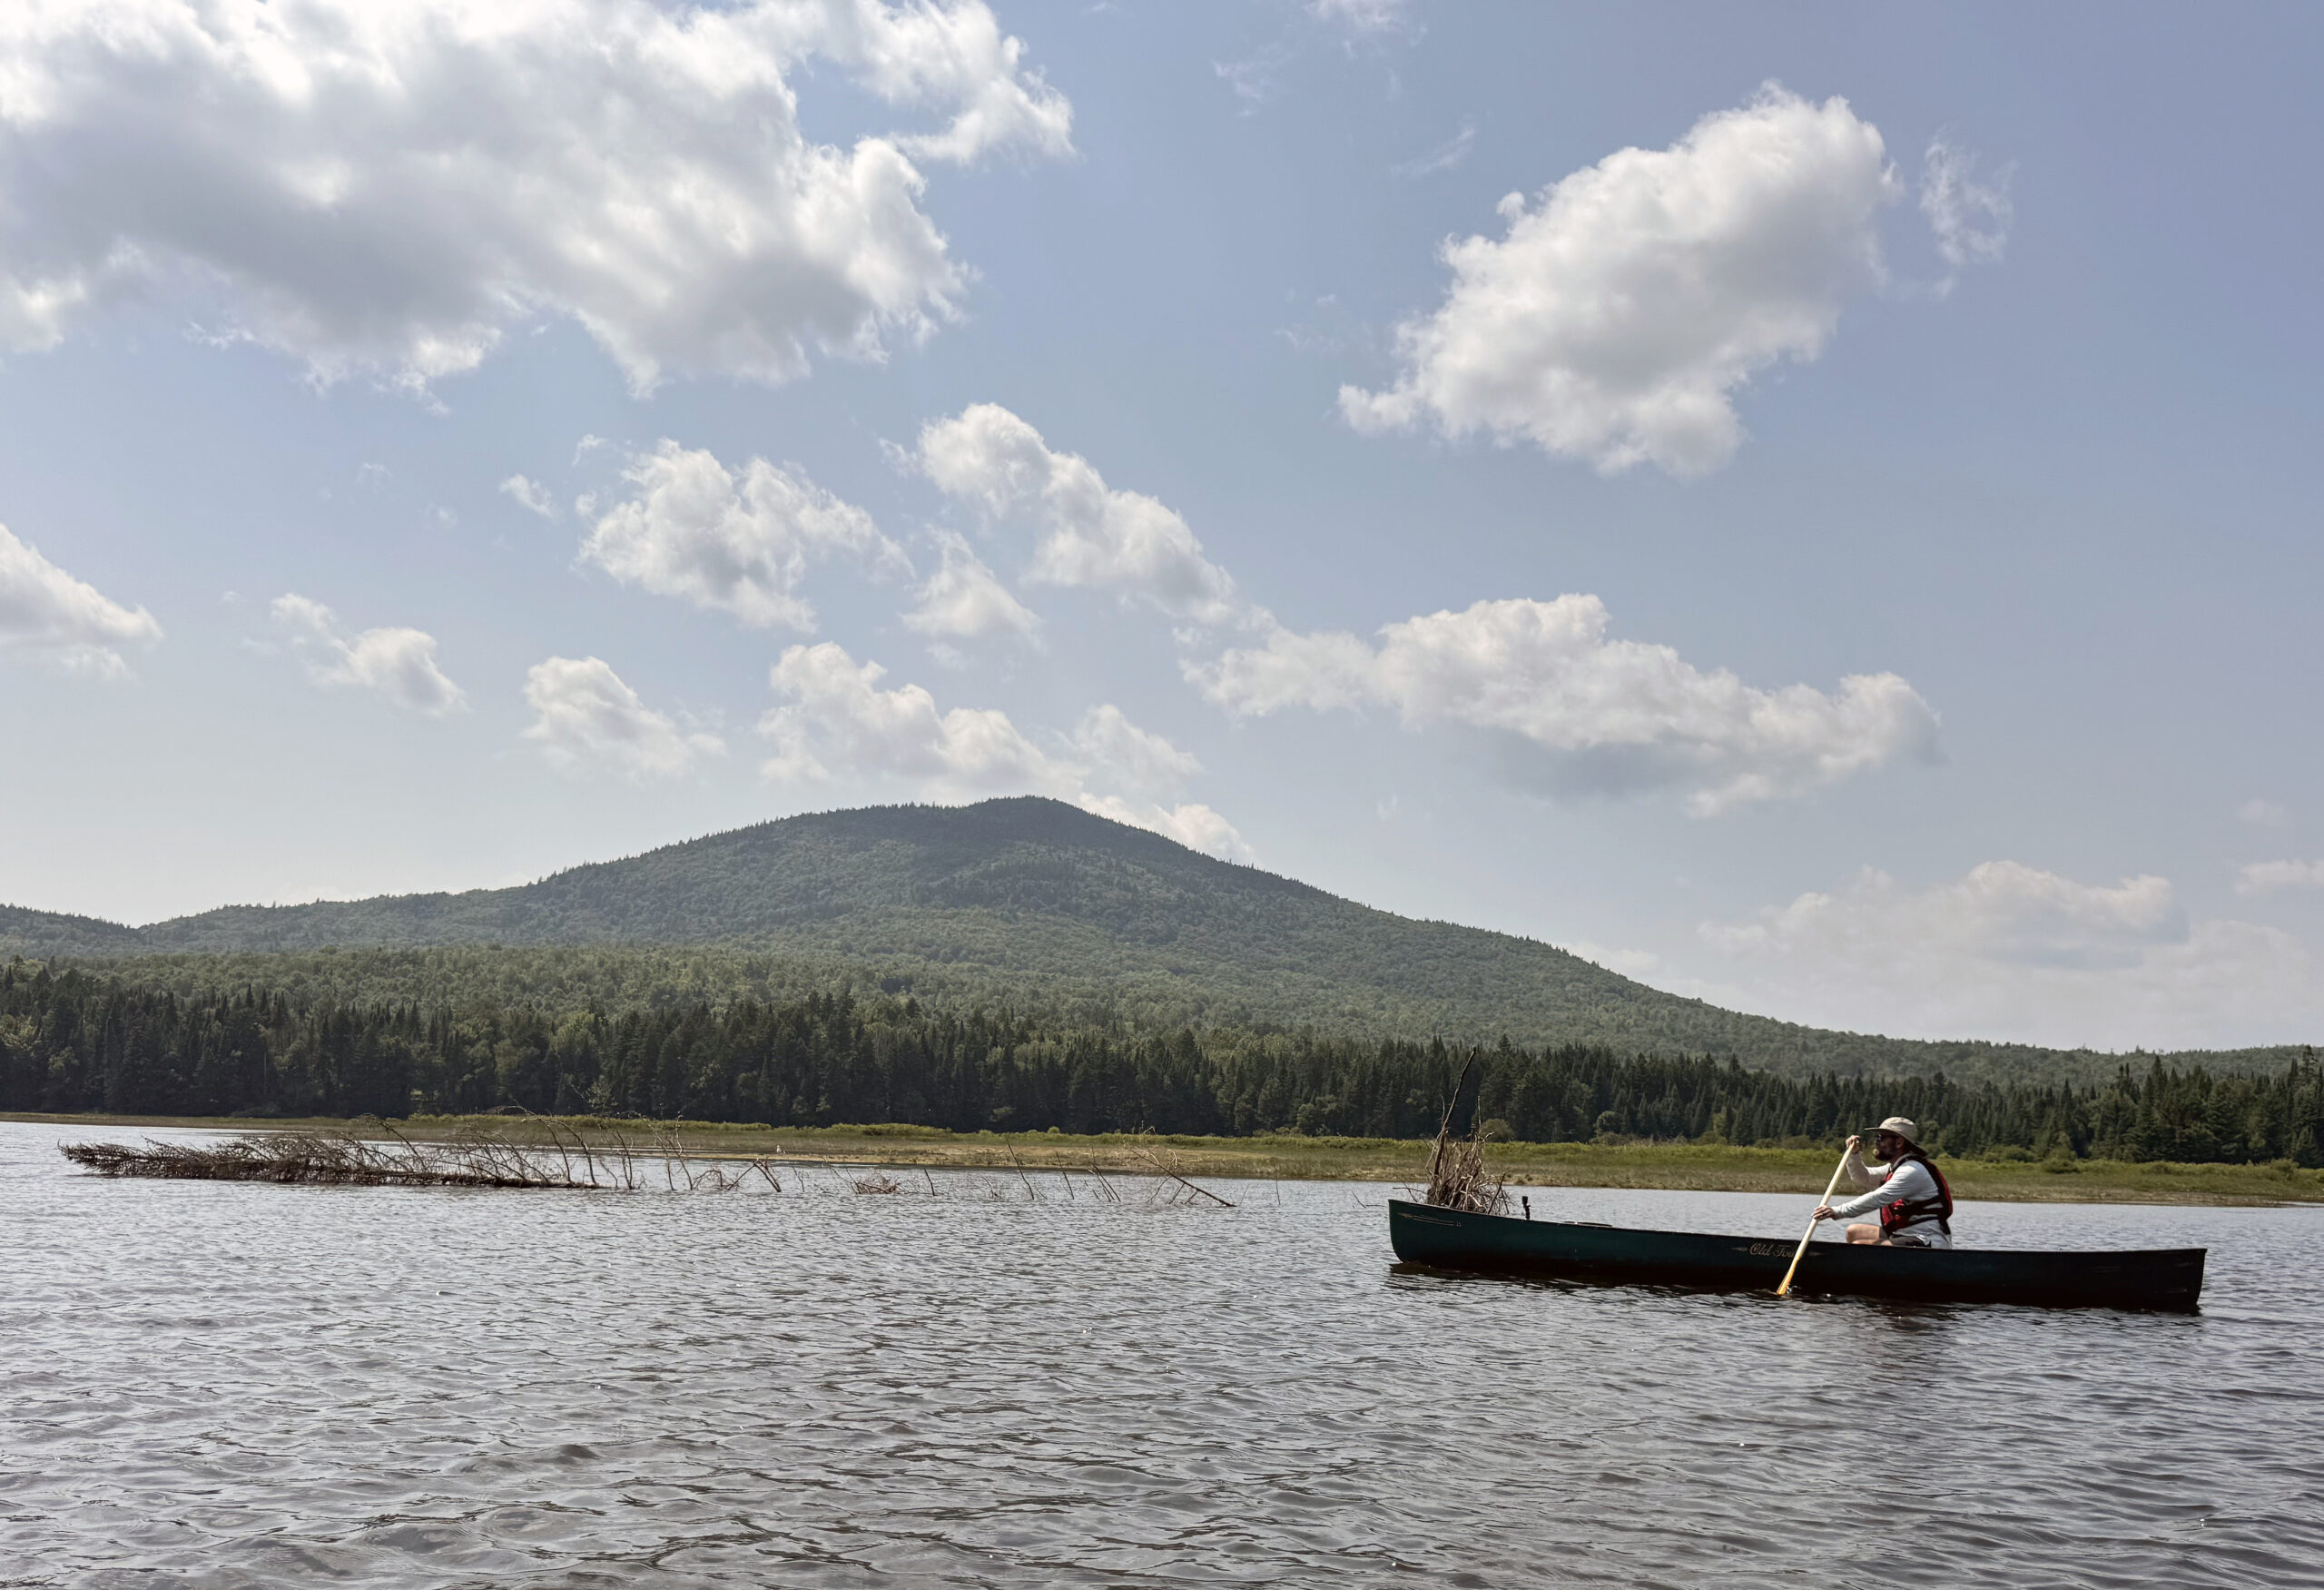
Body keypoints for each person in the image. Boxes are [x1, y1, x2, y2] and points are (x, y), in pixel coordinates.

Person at [1812, 1116, 1955, 1249]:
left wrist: (1837, 1211)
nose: (1877, 1142)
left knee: (1860, 1245)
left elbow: (1878, 1198)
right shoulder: (1894, 1168)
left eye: (1882, 1137)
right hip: (1902, 1233)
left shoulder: (1912, 1171)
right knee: (1853, 1232)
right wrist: (1854, 1155)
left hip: (1925, 1239)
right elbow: (1864, 1178)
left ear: (1899, 1142)